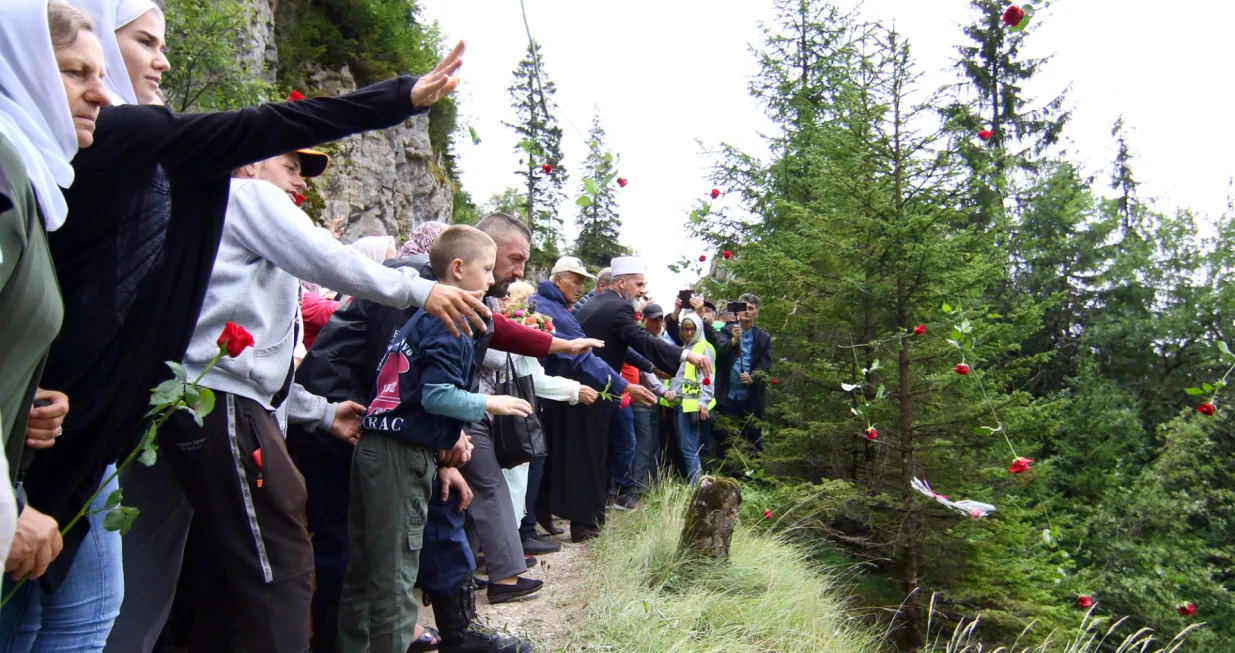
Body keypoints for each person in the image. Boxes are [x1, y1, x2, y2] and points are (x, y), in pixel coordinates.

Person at [27, 39, 481, 653]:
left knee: (155, 570)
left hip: (173, 401)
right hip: (217, 406)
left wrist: (319, 411)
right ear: (245, 160)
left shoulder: (195, 215)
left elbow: (250, 354)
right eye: (290, 164)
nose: (298, 178)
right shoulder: (249, 198)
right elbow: (332, 265)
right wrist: (417, 290)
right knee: (282, 569)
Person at [296, 217, 594, 653]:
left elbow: (489, 326)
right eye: (507, 261)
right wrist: (453, 432)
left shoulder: (447, 292)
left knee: (374, 558)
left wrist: (558, 346)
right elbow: (410, 383)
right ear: (463, 263)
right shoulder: (419, 290)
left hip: (378, 430)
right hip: (339, 422)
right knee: (378, 561)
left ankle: (448, 631)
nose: (508, 274)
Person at [337, 225, 534, 653]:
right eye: (485, 269)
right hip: (401, 456)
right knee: (394, 577)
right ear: (459, 269)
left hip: (374, 449)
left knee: (362, 571)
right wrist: (490, 403)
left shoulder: (421, 317)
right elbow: (437, 395)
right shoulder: (453, 322)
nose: (489, 280)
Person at [0, 2, 111, 650]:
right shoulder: (4, 169)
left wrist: (22, 404)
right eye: (75, 72)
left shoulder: (32, 184)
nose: (102, 93)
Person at [564, 256, 713, 541]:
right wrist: (686, 355)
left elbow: (623, 346)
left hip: (587, 385)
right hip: (595, 388)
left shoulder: (599, 302)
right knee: (594, 455)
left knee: (592, 453)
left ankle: (587, 519)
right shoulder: (619, 306)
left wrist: (652, 367)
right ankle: (585, 525)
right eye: (639, 284)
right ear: (622, 283)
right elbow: (641, 339)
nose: (643, 291)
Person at [467, 281, 597, 596]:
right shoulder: (493, 328)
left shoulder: (504, 327)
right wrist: (572, 388)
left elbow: (530, 374)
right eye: (510, 299)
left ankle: (491, 560)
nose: (517, 307)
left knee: (500, 489)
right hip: (492, 416)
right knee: (499, 491)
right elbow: (531, 378)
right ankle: (498, 566)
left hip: (500, 414)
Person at [716, 293, 773, 451]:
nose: (746, 311)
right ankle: (726, 475)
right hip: (728, 397)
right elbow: (719, 354)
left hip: (751, 398)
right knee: (726, 439)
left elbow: (766, 364)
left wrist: (753, 378)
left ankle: (752, 474)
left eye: (751, 308)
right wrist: (733, 341)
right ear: (737, 312)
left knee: (753, 441)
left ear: (756, 313)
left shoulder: (763, 338)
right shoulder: (726, 332)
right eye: (743, 308)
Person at [630, 304, 675, 493]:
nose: (657, 323)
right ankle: (636, 489)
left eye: (660, 319)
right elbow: (648, 373)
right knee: (643, 445)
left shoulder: (661, 341)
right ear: (644, 320)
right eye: (653, 319)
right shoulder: (641, 341)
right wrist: (664, 391)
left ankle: (651, 486)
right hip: (641, 400)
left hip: (655, 402)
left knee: (653, 444)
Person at [669, 312, 716, 484]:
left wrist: (703, 402)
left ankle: (697, 488)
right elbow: (684, 378)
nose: (688, 333)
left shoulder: (704, 347)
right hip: (682, 403)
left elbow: (707, 378)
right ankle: (698, 486)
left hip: (693, 406)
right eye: (685, 329)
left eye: (692, 329)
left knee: (689, 449)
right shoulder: (685, 348)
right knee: (687, 448)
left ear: (698, 329)